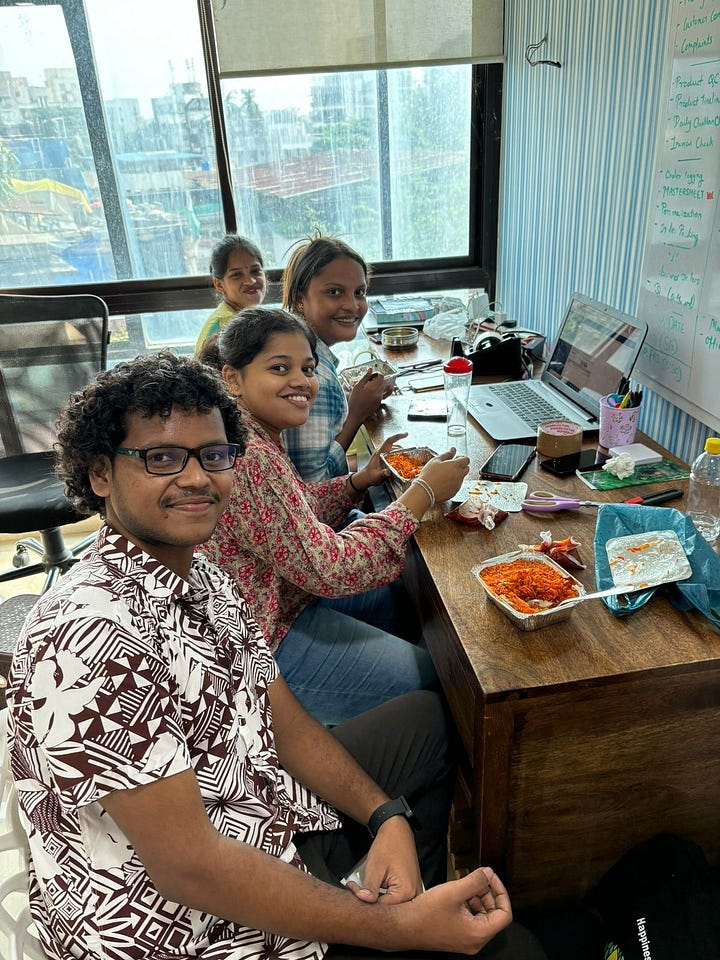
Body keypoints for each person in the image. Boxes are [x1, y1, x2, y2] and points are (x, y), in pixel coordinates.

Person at [6, 352, 545, 960]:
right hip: (193, 928)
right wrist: (403, 931)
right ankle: (396, 929)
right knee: (518, 952)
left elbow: (279, 717)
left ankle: (400, 895)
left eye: (214, 455)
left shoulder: (200, 574)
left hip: (262, 811)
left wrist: (385, 815)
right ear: (100, 474)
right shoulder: (88, 639)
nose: (196, 478)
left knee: (428, 721)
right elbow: (193, 869)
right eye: (162, 458)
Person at [200, 308, 469, 725]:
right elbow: (331, 569)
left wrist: (358, 481)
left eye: (307, 368)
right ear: (232, 379)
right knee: (443, 678)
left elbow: (292, 515)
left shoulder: (250, 431)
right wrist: (423, 494)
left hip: (285, 597)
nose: (301, 381)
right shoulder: (249, 456)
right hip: (261, 641)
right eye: (279, 368)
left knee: (404, 596)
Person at [281, 234, 388, 482]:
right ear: (299, 298)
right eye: (335, 292)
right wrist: (357, 413)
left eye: (359, 292)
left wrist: (353, 400)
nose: (352, 305)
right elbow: (315, 486)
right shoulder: (314, 374)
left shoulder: (298, 350)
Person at [195, 234, 266, 355]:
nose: (251, 281)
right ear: (219, 284)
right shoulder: (229, 324)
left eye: (255, 271)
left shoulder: (247, 317)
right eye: (237, 275)